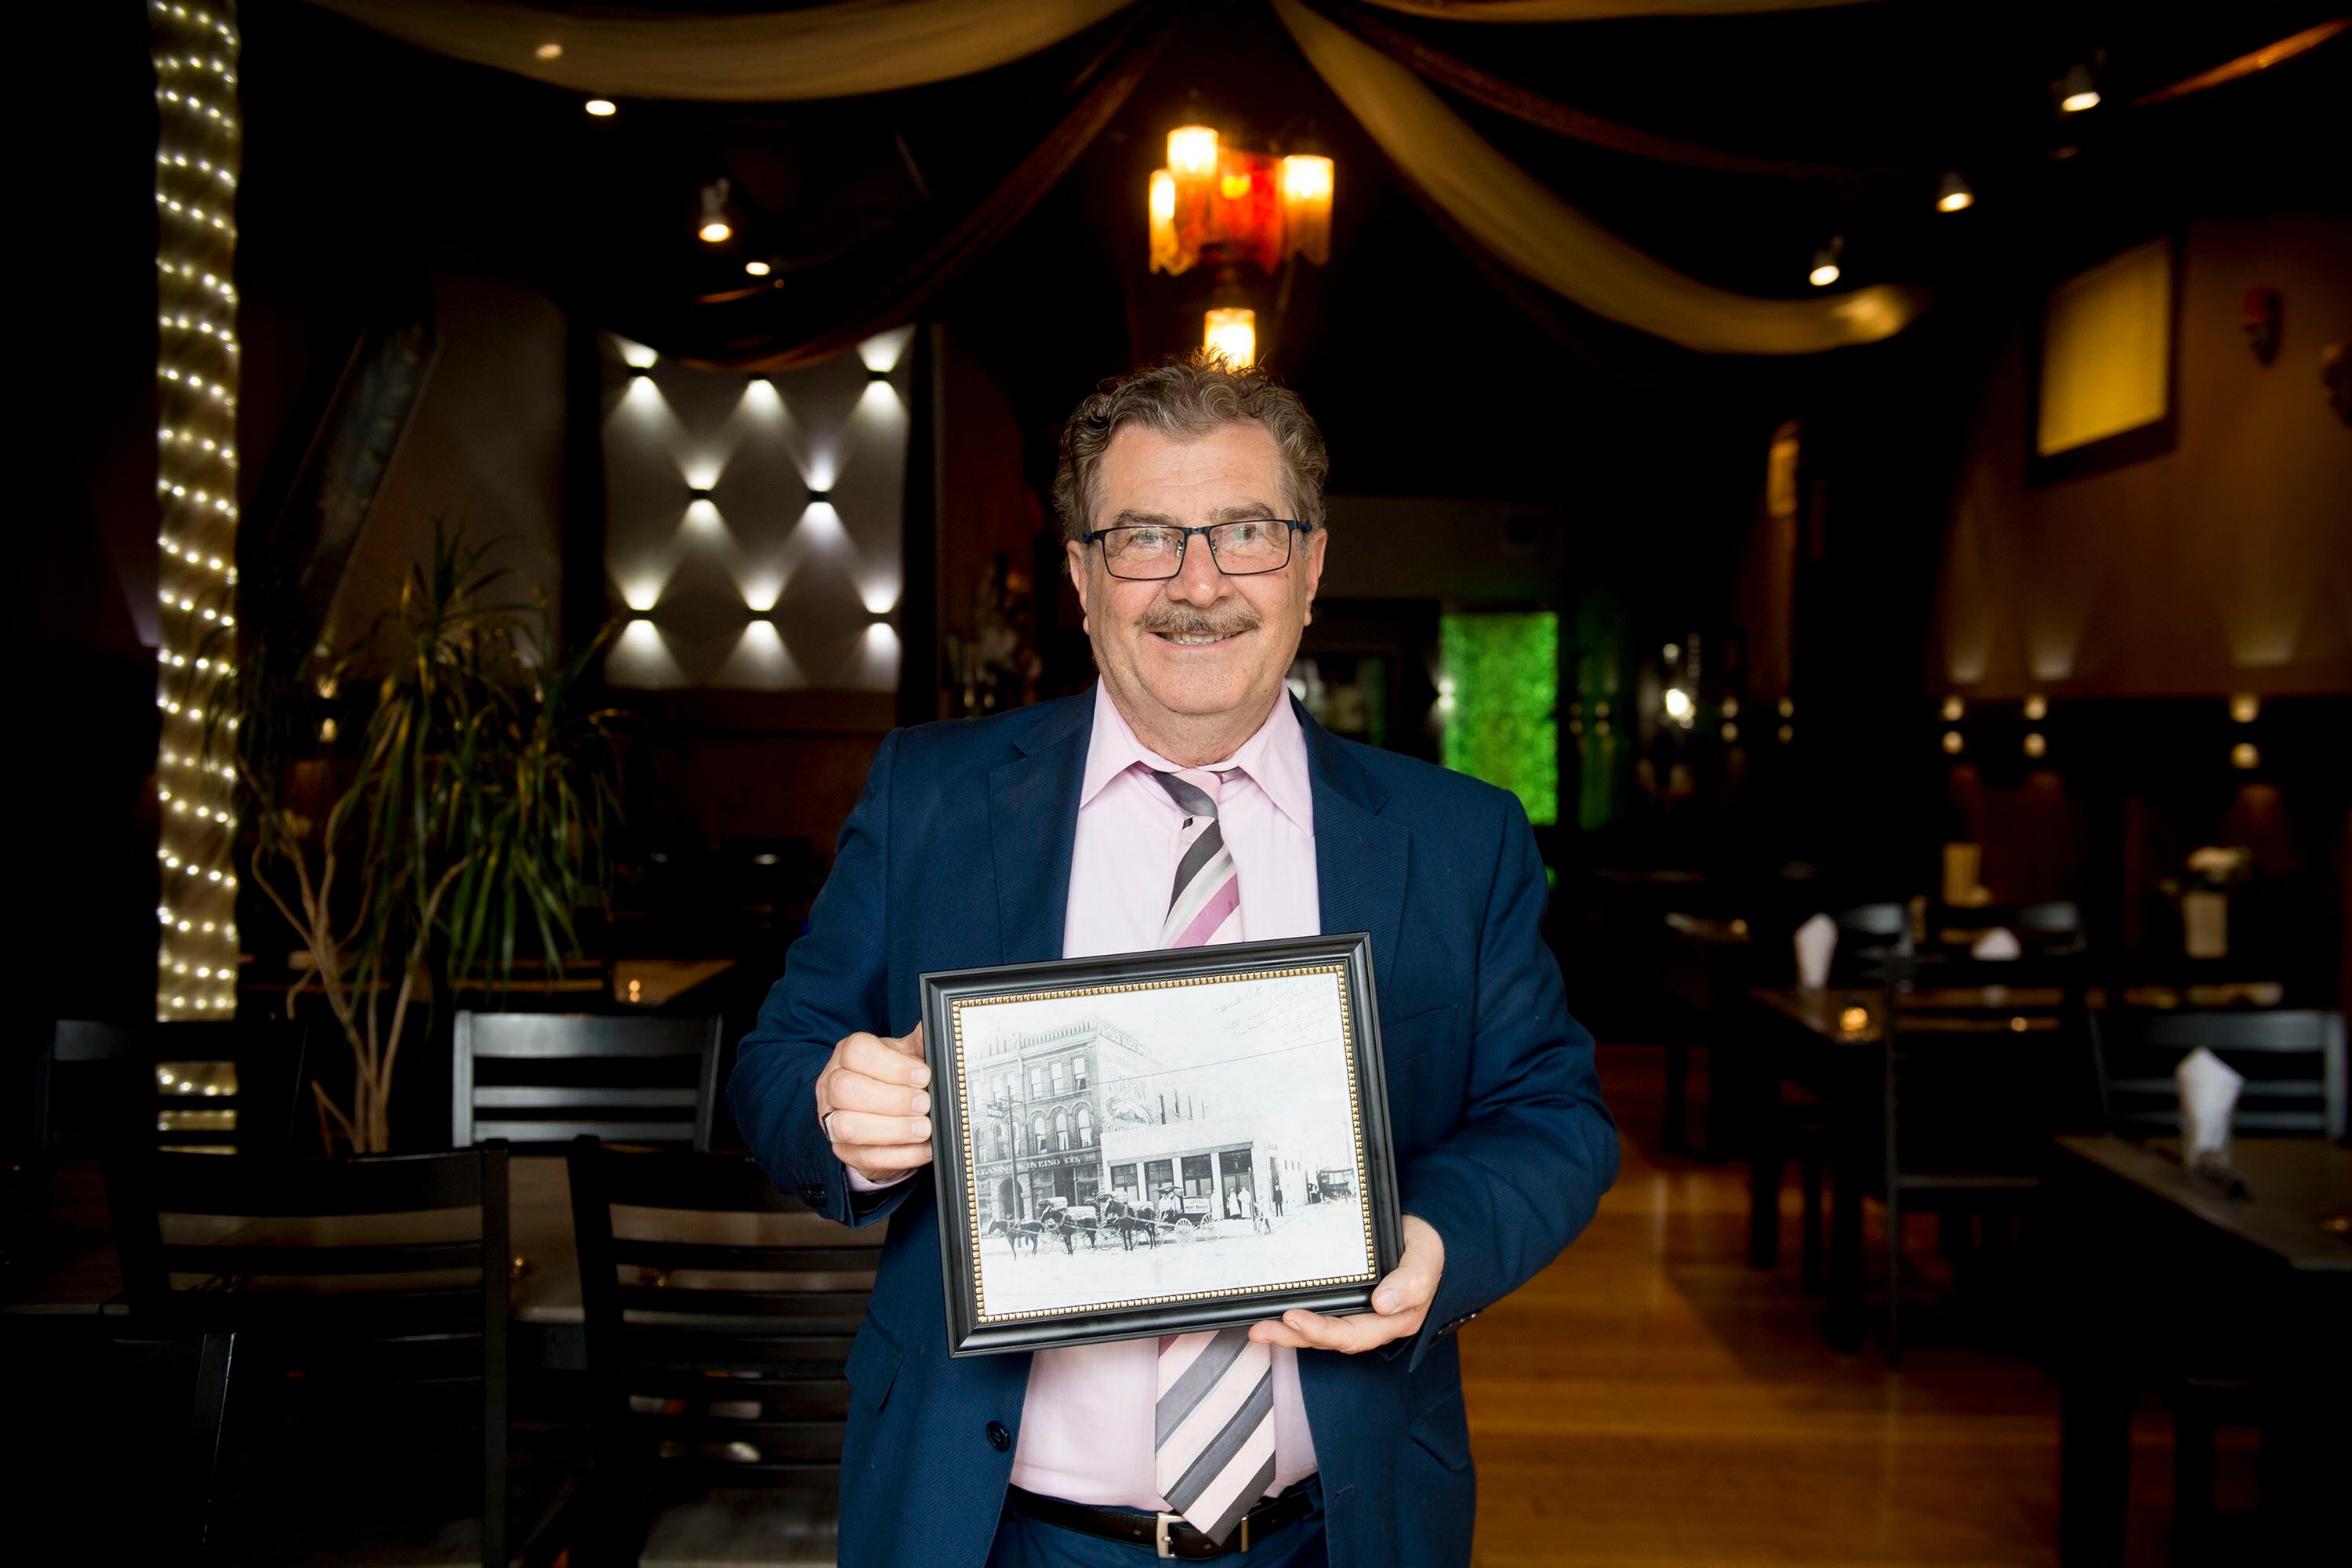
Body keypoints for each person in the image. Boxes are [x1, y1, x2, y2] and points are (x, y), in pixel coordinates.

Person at [730, 354, 1618, 1568]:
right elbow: (776, 1065)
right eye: (1145, 537)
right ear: (1083, 576)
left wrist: (1435, 1240)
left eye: (1244, 532)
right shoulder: (931, 799)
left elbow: (1555, 1118)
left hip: (1336, 1529)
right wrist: (840, 1103)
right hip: (989, 1531)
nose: (1197, 584)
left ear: (1311, 565)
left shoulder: (1457, 841)